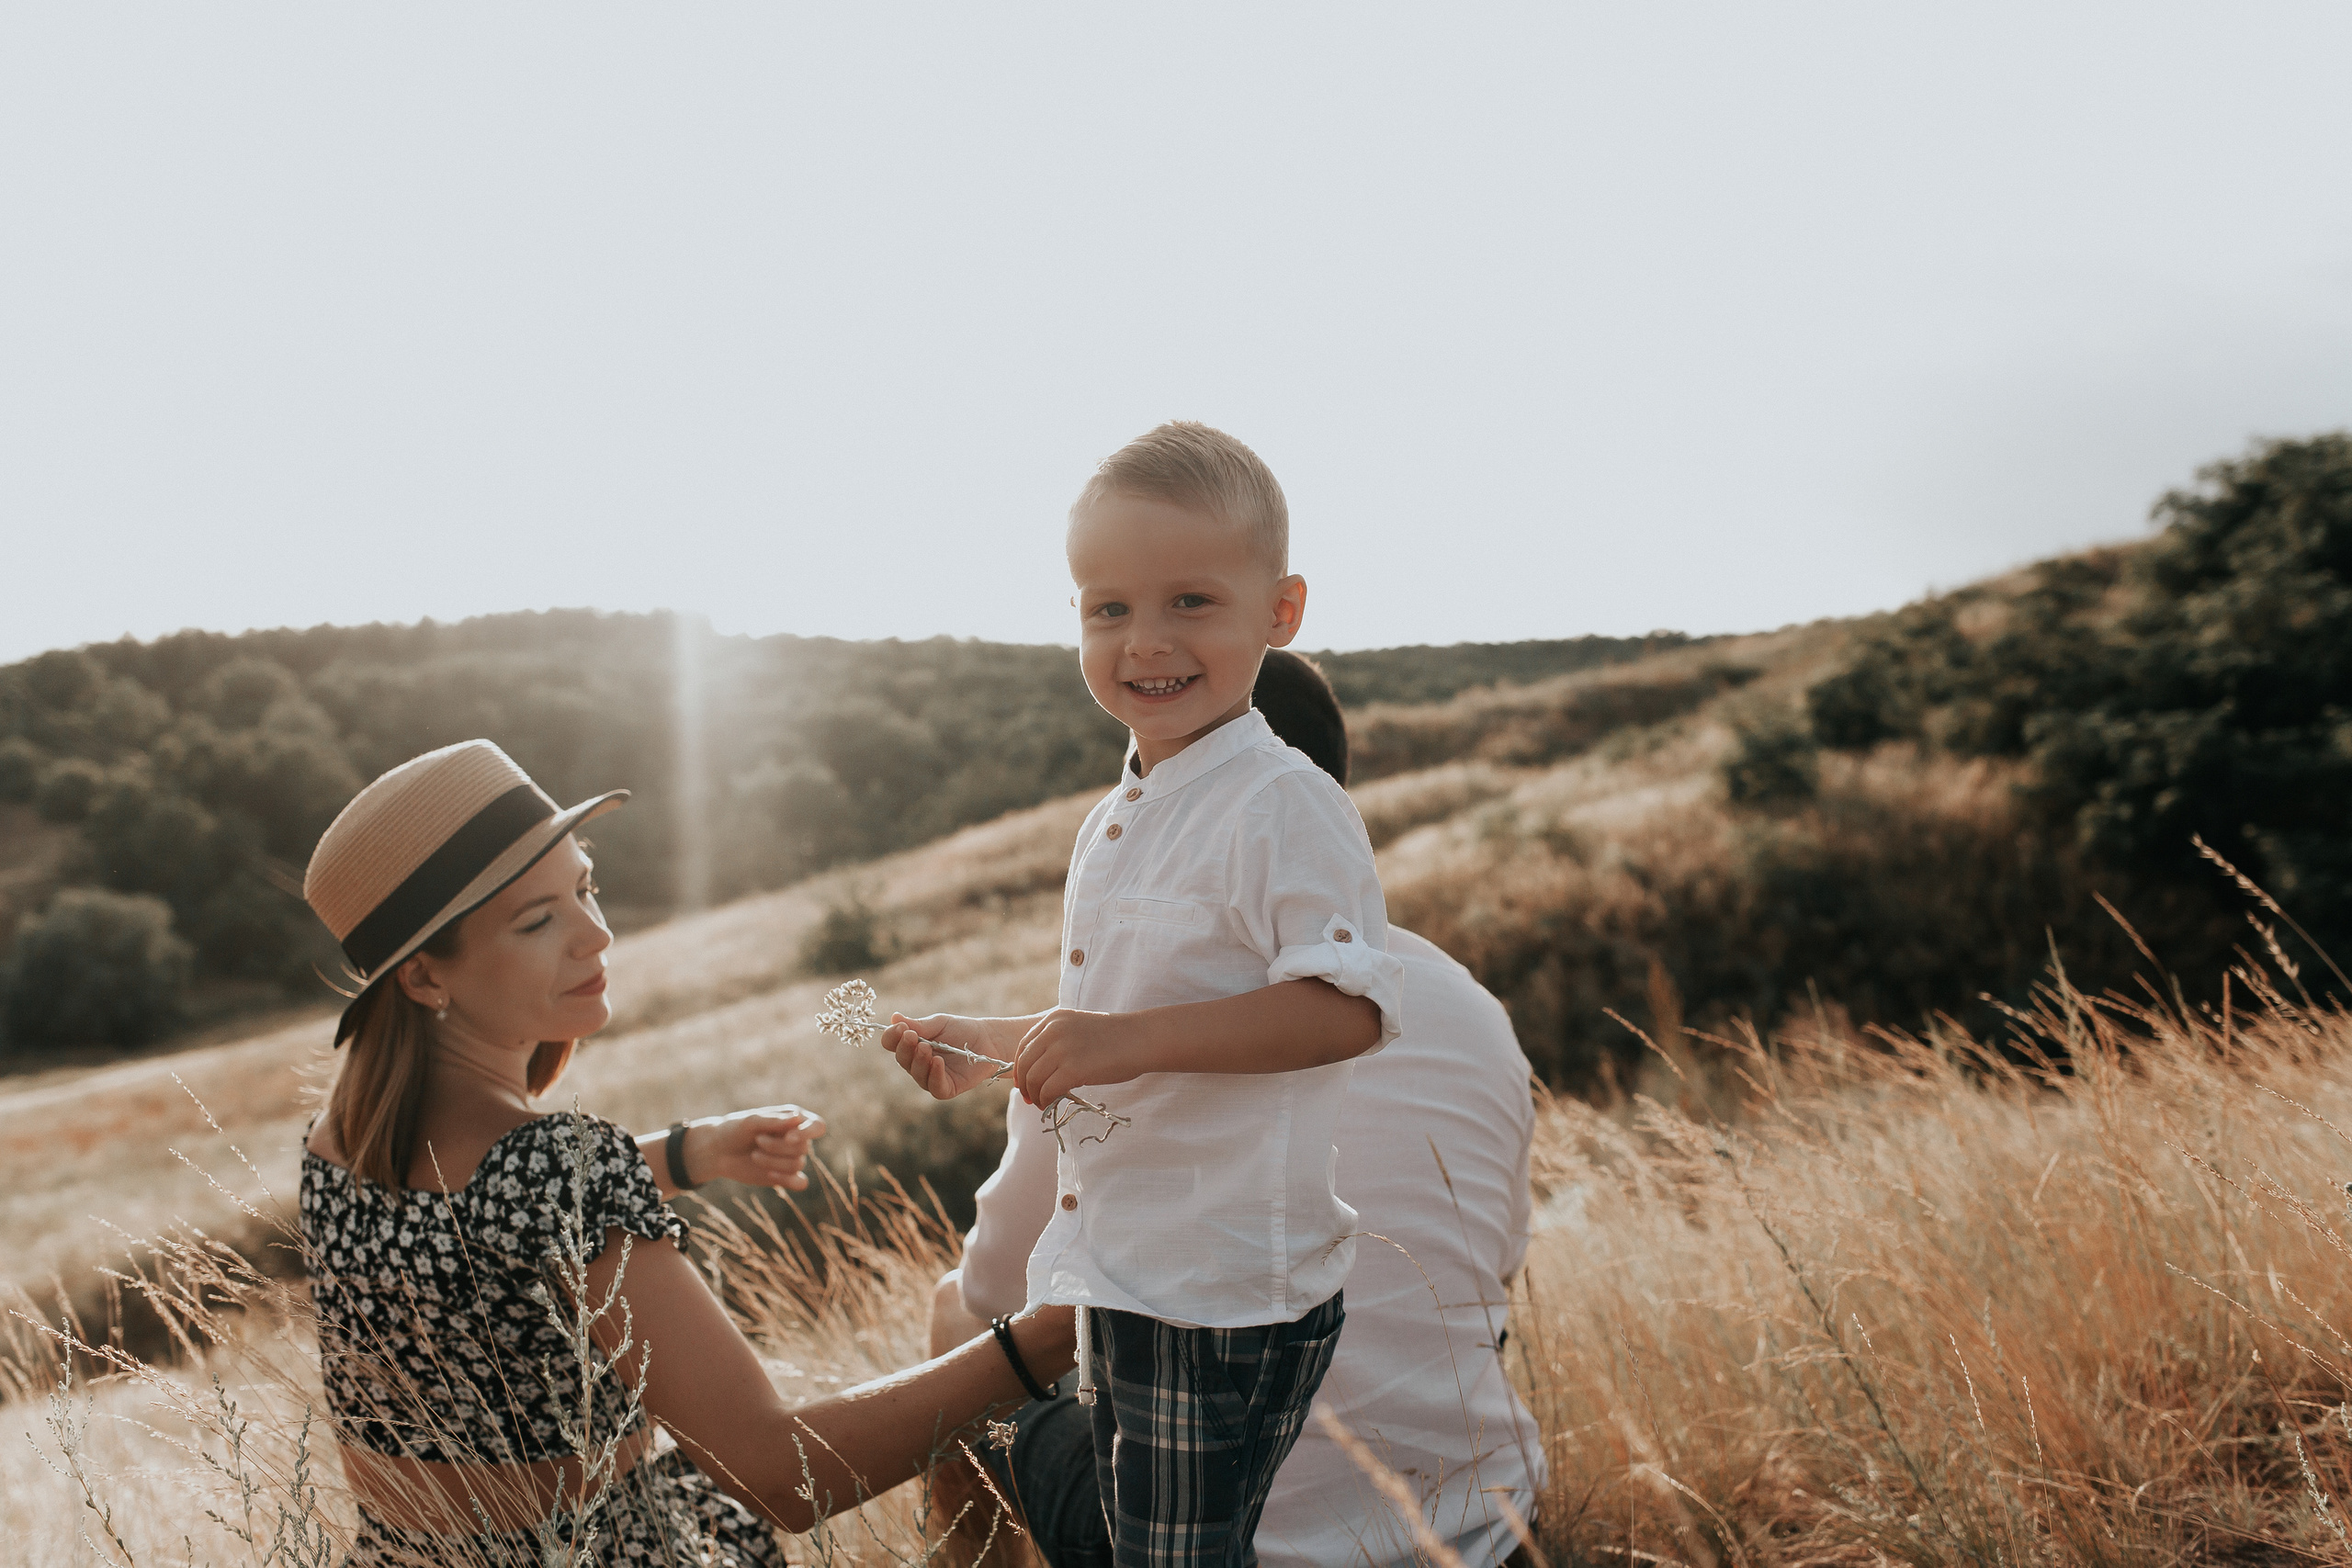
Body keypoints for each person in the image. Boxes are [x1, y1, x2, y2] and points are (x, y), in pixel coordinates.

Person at [299, 739, 1078, 1564]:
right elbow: (782, 1474)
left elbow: (479, 1219)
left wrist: (681, 1154)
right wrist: (1055, 1329)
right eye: (538, 920)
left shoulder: (337, 1141)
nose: (595, 935)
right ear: (423, 979)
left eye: (585, 886)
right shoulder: (557, 1169)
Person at [883, 423, 1406, 1566]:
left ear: (1282, 612)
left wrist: (1119, 1039)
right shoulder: (1117, 817)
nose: (1145, 641)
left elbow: (1346, 1010)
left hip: (1218, 1296)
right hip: (1124, 1274)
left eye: (1190, 602)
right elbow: (1118, 1025)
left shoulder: (1285, 802)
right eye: (1106, 608)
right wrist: (990, 1038)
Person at [930, 649, 1546, 1568]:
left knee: (953, 1316)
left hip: (1219, 1542)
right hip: (1485, 1529)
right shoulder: (1469, 1006)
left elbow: (999, 1294)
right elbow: (1489, 1283)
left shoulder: (1106, 1030)